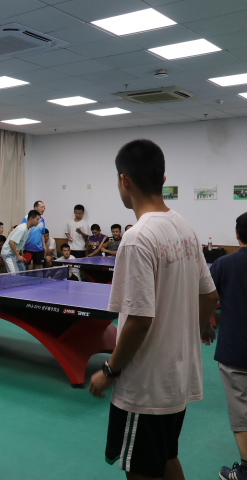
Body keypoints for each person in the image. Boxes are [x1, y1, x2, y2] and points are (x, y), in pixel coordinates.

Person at [89, 139, 218, 480]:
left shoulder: (137, 238)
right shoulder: (185, 228)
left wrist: (110, 370)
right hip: (178, 379)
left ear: (124, 180)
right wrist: (200, 327)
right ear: (162, 179)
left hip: (146, 386)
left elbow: (139, 321)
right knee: (166, 457)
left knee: (141, 471)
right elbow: (209, 295)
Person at [210, 212, 247, 480]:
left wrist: (204, 325)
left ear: (237, 234)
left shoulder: (223, 264)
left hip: (236, 350)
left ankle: (245, 471)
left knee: (241, 411)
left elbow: (207, 298)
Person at [21, 201, 46, 269]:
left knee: (39, 268)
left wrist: (44, 246)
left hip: (39, 248)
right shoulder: (26, 218)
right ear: (36, 207)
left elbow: (42, 234)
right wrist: (22, 247)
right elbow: (22, 232)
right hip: (27, 248)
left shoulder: (42, 220)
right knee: (25, 267)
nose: (43, 209)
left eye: (44, 208)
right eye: (42, 207)